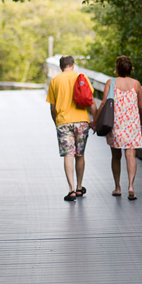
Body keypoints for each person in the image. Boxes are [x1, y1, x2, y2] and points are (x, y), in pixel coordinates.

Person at [94, 55, 142, 200]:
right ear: (131, 69)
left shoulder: (111, 82)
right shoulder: (136, 84)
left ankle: (117, 187)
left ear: (117, 69)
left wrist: (96, 121)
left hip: (115, 124)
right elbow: (141, 107)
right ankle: (131, 186)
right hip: (132, 125)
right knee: (131, 155)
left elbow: (103, 103)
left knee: (116, 156)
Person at [47, 55, 95, 202]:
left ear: (61, 66)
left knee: (68, 154)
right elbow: (90, 99)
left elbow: (53, 107)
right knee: (80, 155)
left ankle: (71, 189)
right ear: (73, 65)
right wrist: (95, 120)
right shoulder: (81, 77)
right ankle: (80, 186)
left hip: (63, 122)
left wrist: (57, 122)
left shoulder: (55, 81)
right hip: (81, 121)